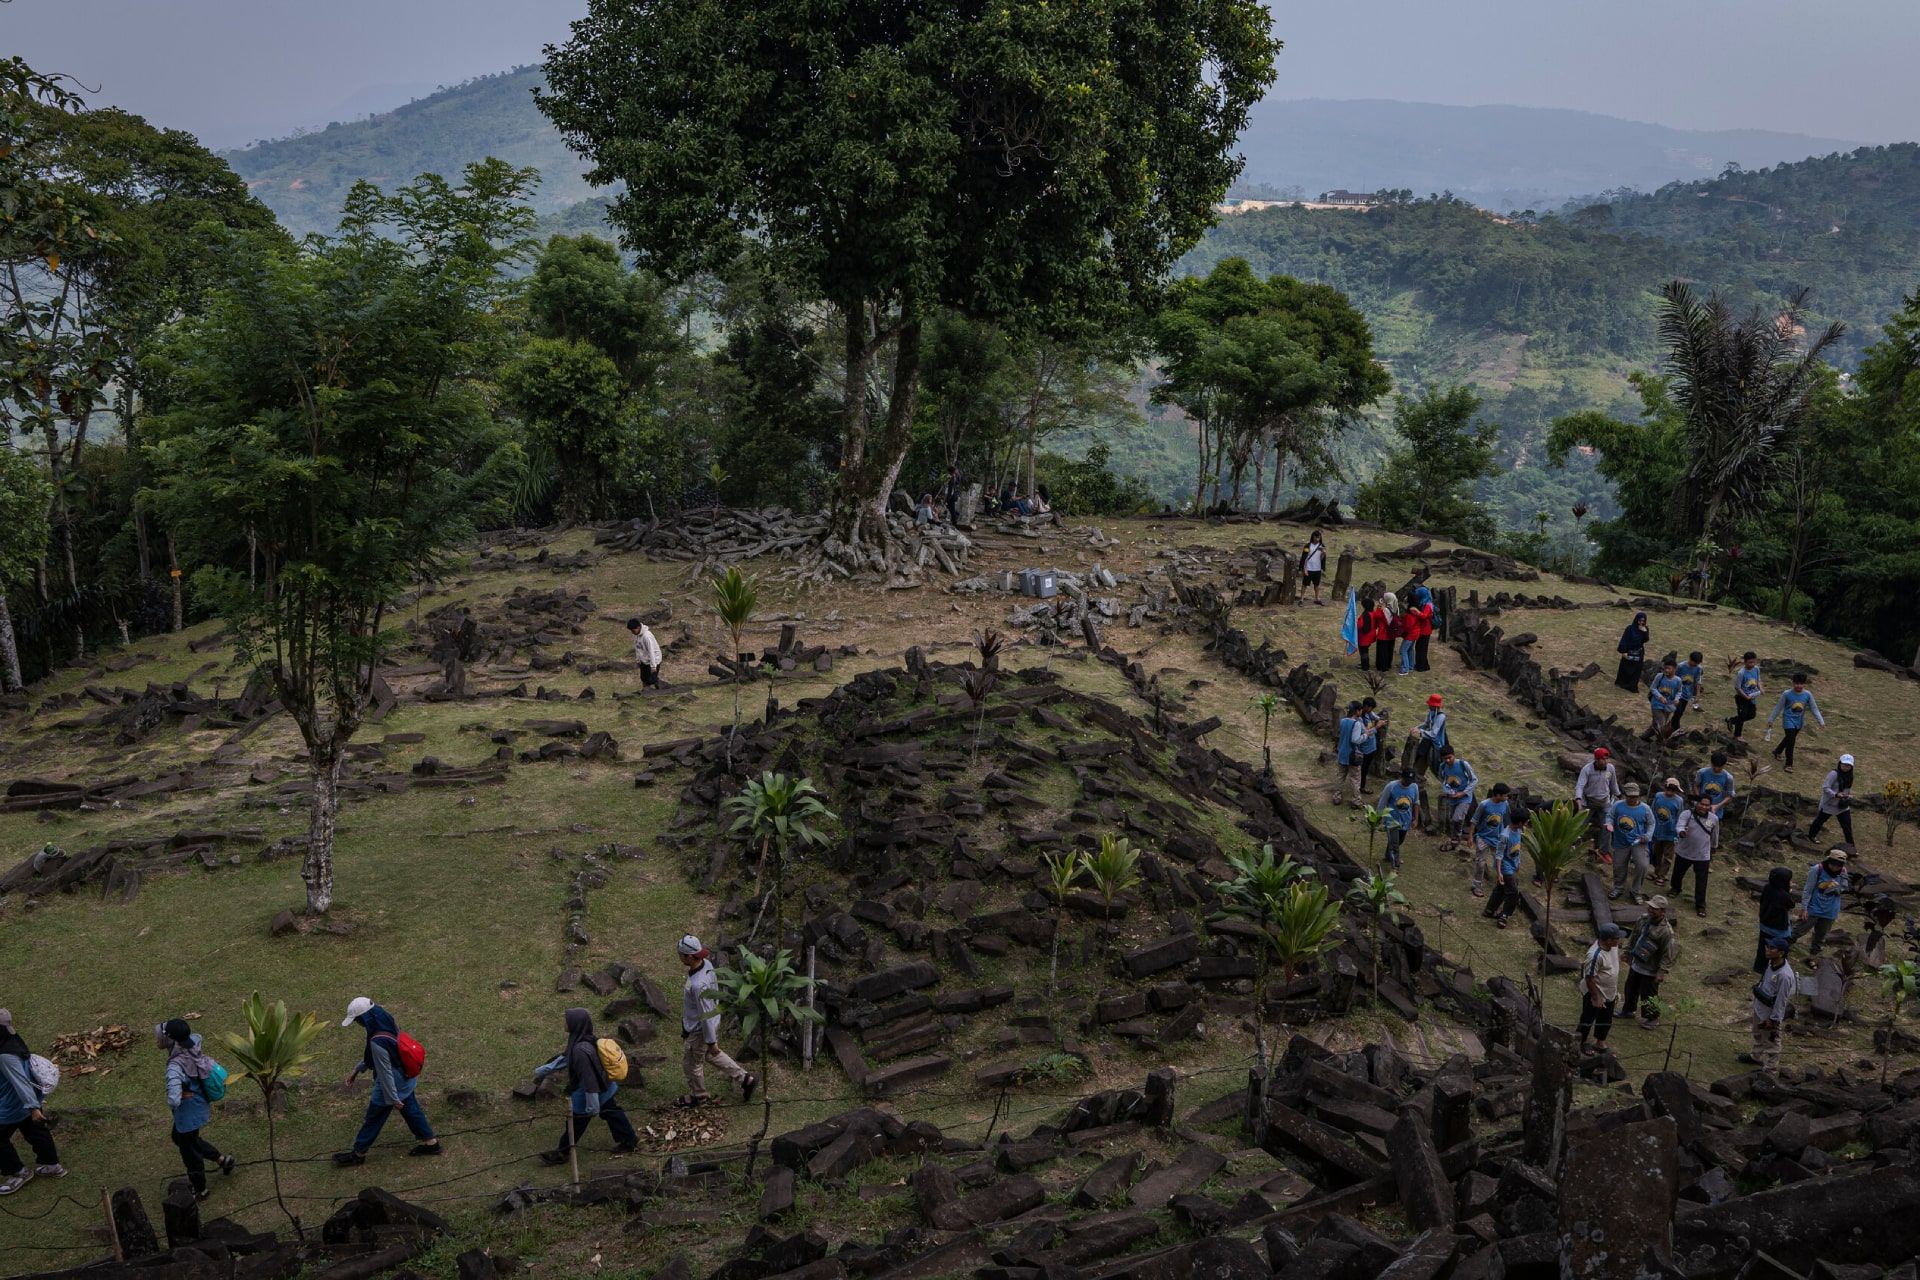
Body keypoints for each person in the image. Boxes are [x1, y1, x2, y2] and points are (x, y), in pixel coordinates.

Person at [334, 998, 440, 1165]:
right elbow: (379, 1057)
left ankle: (358, 1153)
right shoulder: (387, 1021)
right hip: (405, 1077)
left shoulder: (377, 1041)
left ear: (365, 1019)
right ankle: (431, 1143)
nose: (358, 1024)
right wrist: (357, 1069)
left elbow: (385, 1073)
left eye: (357, 1020)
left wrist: (392, 1098)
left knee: (374, 1117)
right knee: (411, 1110)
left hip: (393, 1085)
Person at [534, 1009, 638, 1165]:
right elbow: (566, 1058)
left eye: (567, 1021)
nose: (564, 1023)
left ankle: (562, 1153)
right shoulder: (584, 1039)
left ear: (575, 1024)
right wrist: (544, 1070)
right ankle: (629, 1140)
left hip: (591, 1091)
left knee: (576, 1122)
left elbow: (589, 1081)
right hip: (605, 1086)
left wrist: (592, 1105)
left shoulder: (579, 1050)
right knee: (612, 1112)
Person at [158, 1019, 233, 1200]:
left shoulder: (175, 1066)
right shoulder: (192, 1045)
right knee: (182, 1139)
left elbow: (173, 1098)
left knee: (190, 1155)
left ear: (171, 1040)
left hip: (188, 1115)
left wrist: (176, 1099)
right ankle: (222, 1160)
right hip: (199, 1107)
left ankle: (201, 1190)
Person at [678, 935, 756, 1106]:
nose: (679, 956)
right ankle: (746, 1079)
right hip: (711, 1021)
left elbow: (704, 1014)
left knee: (692, 1064)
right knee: (712, 1056)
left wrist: (711, 1041)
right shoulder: (706, 963)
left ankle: (699, 1097)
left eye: (681, 954)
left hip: (701, 1029)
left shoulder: (699, 985)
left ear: (689, 957)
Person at [0, 1009, 62, 1196]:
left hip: (14, 1105)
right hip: (27, 1102)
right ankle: (52, 1165)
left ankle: (18, 1173)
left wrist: (33, 1108)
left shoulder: (4, 1055)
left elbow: (20, 1081)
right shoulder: (13, 1041)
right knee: (35, 1131)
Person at [1619, 897, 1676, 1028]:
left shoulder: (1666, 931)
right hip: (1636, 963)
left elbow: (1668, 954)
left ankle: (1652, 1019)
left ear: (1662, 911)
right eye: (1650, 907)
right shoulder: (1643, 919)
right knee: (1630, 988)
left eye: (1654, 909)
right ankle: (1628, 1010)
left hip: (1650, 968)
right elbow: (1634, 935)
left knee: (1649, 995)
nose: (1650, 910)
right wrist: (1627, 951)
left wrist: (1661, 971)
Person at [1743, 939, 1796, 1071]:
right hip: (1760, 1006)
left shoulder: (1784, 975)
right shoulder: (1771, 963)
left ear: (1781, 953)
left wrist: (1773, 1019)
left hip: (1770, 1013)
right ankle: (1756, 1056)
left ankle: (1771, 1068)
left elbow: (1781, 1000)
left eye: (1772, 948)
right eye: (1768, 946)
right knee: (1758, 1033)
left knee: (1772, 1041)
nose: (1767, 950)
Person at [1792, 848, 1849, 963]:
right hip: (1813, 907)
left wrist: (1836, 888)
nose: (1835, 867)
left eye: (1839, 865)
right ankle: (1781, 948)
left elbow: (1844, 887)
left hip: (1830, 910)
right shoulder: (1817, 869)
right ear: (1829, 861)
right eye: (1834, 864)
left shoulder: (1843, 871)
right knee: (1798, 930)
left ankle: (1812, 958)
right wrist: (1804, 908)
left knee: (1821, 936)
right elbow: (1808, 889)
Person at [1577, 924, 1624, 1055]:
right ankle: (1580, 1042)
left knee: (1606, 1018)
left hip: (1609, 992)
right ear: (1608, 940)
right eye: (1617, 938)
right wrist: (1595, 997)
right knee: (1587, 1018)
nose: (1619, 940)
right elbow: (1589, 978)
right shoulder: (1595, 955)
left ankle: (1600, 1041)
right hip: (1595, 992)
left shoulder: (1612, 947)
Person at [1668, 793, 1717, 917]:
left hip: (1702, 855)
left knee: (1702, 881)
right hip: (1684, 851)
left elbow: (1715, 834)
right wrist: (1682, 832)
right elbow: (1679, 825)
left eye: (1707, 805)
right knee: (1678, 873)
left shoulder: (1713, 818)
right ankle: (1675, 888)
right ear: (1697, 803)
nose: (1704, 807)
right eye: (1702, 804)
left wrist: (1714, 847)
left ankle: (1700, 905)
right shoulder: (1687, 814)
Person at [1765, 673, 1825, 772]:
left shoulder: (1808, 695)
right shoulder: (1787, 694)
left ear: (1804, 684)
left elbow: (1814, 709)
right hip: (1788, 721)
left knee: (1788, 739)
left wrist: (1821, 721)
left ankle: (1777, 751)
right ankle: (1789, 764)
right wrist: (1771, 720)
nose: (1799, 686)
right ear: (1793, 683)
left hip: (1799, 722)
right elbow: (1778, 707)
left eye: (1801, 684)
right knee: (1791, 742)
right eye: (1796, 683)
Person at [1607, 781, 1655, 903]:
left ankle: (1636, 891)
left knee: (1642, 865)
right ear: (1625, 795)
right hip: (1620, 841)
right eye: (1630, 796)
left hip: (1639, 842)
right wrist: (1609, 824)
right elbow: (1610, 816)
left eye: (1635, 796)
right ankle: (1618, 887)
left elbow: (1651, 823)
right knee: (1619, 866)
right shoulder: (1618, 805)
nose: (1633, 799)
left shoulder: (1645, 809)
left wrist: (1647, 835)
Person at [1484, 806, 1529, 928]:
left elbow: (1517, 848)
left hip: (1512, 865)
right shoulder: (1505, 835)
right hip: (1504, 867)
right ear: (1520, 822)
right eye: (1526, 821)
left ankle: (1489, 910)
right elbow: (1498, 855)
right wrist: (1499, 872)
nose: (1527, 823)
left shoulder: (1519, 831)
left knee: (1501, 889)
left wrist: (1518, 862)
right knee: (1513, 892)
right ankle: (1504, 915)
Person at [1574, 747, 1622, 858]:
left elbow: (1613, 784)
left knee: (1607, 827)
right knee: (1580, 825)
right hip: (1588, 802)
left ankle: (1603, 851)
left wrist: (1619, 796)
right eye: (1602, 759)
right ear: (1596, 759)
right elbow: (1580, 786)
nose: (1605, 761)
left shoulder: (1610, 769)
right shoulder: (1587, 769)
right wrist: (1579, 801)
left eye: (1606, 759)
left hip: (1604, 802)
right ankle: (1574, 846)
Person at [1467, 783, 1512, 898]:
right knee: (1481, 863)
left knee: (1501, 862)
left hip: (1498, 839)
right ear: (1497, 795)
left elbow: (1506, 821)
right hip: (1483, 837)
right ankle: (1477, 886)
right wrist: (1470, 836)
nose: (1507, 798)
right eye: (1505, 796)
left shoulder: (1505, 804)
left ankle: (1504, 884)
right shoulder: (1484, 805)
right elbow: (1474, 820)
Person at [1377, 766, 1422, 870]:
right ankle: (1395, 866)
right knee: (1395, 844)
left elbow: (1416, 803)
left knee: (1399, 841)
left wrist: (1416, 819)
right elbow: (1382, 803)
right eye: (1406, 780)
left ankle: (1389, 855)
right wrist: (1378, 817)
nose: (1408, 782)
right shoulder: (1391, 786)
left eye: (1411, 780)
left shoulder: (1414, 787)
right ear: (1401, 777)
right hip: (1392, 820)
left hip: (1405, 821)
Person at [1754, 866, 1795, 974]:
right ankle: (1777, 967)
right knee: (1780, 948)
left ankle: (1759, 967)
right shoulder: (1784, 895)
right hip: (1778, 928)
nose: (1791, 882)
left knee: (1763, 947)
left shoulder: (1767, 887)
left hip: (1764, 924)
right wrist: (1789, 892)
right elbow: (1791, 905)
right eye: (1789, 880)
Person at [1808, 754, 1856, 845]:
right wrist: (1836, 795)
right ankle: (1811, 836)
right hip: (1829, 804)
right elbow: (1826, 788)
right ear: (1840, 763)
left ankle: (1851, 846)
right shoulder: (1833, 774)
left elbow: (1847, 789)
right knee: (1819, 821)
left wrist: (1847, 796)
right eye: (1844, 764)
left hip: (1842, 806)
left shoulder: (1850, 776)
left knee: (1847, 826)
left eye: (1849, 765)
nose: (1846, 767)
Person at [1437, 746, 1478, 848]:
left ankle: (1457, 837)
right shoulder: (1443, 766)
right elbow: (1442, 779)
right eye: (1445, 758)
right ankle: (1454, 840)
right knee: (1453, 819)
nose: (1447, 760)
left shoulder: (1463, 764)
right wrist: (1447, 790)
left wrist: (1464, 792)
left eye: (1449, 757)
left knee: (1457, 818)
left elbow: (1474, 780)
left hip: (1465, 797)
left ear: (1454, 755)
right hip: (1452, 797)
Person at [1694, 752, 1735, 850]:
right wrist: (1699, 799)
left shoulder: (1728, 778)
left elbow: (1730, 795)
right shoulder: (1702, 772)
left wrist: (1717, 806)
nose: (1716, 769)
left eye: (1719, 767)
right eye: (1714, 766)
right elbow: (1696, 785)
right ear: (1711, 763)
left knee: (1709, 833)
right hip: (1700, 808)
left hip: (1715, 811)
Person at [1334, 700, 1371, 806]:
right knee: (1355, 779)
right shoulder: (1357, 724)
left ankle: (1337, 797)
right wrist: (1366, 735)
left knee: (1340, 776)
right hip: (1353, 755)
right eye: (1360, 710)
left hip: (1342, 753)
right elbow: (1355, 740)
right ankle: (1356, 800)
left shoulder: (1343, 721)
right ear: (1357, 711)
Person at [1649, 777, 1686, 880]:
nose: (1670, 792)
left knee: (1668, 856)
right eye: (1668, 789)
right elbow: (1652, 811)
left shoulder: (1679, 801)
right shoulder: (1658, 796)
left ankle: (1662, 875)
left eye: (1673, 790)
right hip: (1658, 830)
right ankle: (1656, 871)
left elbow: (1680, 816)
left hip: (1671, 832)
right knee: (1657, 853)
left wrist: (1678, 831)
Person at [1413, 693, 1449, 778]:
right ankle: (1417, 775)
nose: (1429, 706)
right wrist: (1416, 728)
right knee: (1420, 756)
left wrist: (1420, 732)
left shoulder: (1441, 717)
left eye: (1431, 705)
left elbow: (1433, 734)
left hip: (1436, 744)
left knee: (1434, 764)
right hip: (1427, 740)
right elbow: (1426, 724)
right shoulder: (1431, 712)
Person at [1647, 658, 1682, 741]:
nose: (1666, 670)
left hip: (1668, 706)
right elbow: (1653, 688)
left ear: (1674, 669)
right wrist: (1660, 697)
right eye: (1665, 668)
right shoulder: (1660, 676)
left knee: (1657, 723)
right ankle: (1660, 741)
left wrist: (1677, 699)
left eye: (1669, 668)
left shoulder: (1678, 680)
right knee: (1661, 723)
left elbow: (1679, 691)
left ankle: (1644, 736)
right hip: (1656, 704)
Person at [1730, 652, 1763, 739]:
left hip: (1752, 696)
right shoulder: (1741, 673)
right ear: (1745, 662)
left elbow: (1758, 680)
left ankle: (1731, 720)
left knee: (1752, 715)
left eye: (1753, 662)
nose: (1752, 664)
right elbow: (1737, 687)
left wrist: (1760, 688)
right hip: (1741, 697)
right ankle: (1737, 735)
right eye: (1750, 662)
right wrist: (1745, 696)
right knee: (1742, 715)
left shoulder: (1756, 669)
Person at [1615, 612, 1650, 691]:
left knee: (1636, 669)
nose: (1641, 622)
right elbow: (1625, 639)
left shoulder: (1645, 629)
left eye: (1643, 621)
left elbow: (1645, 640)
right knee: (1625, 667)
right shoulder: (1630, 628)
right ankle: (1622, 683)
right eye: (1640, 620)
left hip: (1639, 652)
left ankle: (1632, 686)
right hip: (1629, 650)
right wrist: (1623, 651)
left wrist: (1644, 632)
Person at [1357, 697, 1384, 797]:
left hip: (1371, 747)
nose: (1371, 710)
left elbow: (1375, 716)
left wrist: (1379, 720)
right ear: (1365, 706)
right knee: (1363, 769)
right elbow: (1366, 733)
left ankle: (1361, 785)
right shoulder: (1359, 718)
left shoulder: (1368, 713)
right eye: (1370, 708)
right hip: (1364, 749)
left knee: (1366, 768)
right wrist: (1377, 727)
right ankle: (1361, 787)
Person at [628, 617, 663, 690]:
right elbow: (637, 648)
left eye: (633, 630)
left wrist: (653, 666)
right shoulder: (637, 636)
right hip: (644, 660)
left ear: (638, 627)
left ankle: (658, 686)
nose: (632, 632)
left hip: (653, 660)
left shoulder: (647, 637)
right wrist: (638, 660)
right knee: (643, 678)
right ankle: (646, 691)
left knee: (651, 679)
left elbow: (651, 651)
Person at [1673, 651, 1704, 730]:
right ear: (1690, 658)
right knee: (1678, 712)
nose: (1694, 665)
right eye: (1694, 662)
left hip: (1687, 694)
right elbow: (1673, 678)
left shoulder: (1698, 668)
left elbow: (1697, 681)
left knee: (1680, 713)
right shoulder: (1680, 666)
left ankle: (1672, 727)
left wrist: (1697, 694)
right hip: (1677, 693)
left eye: (1697, 663)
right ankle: (1676, 728)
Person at [1356, 592, 1385, 671]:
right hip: (1371, 635)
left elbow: (1360, 625)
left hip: (1364, 636)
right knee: (1366, 650)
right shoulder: (1373, 613)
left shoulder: (1365, 615)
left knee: (1363, 651)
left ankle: (1365, 666)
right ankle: (1364, 664)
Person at [1410, 586, 1436, 672]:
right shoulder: (1425, 602)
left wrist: (1416, 611)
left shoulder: (1428, 605)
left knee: (1421, 648)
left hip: (1425, 629)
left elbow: (1424, 616)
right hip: (1423, 628)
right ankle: (1423, 665)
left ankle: (1421, 666)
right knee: (1420, 648)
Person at [1373, 593, 1398, 673]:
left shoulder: (1385, 610)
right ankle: (1388, 664)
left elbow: (1377, 615)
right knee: (1389, 650)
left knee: (1382, 650)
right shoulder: (1396, 608)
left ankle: (1381, 666)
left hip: (1384, 633)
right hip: (1392, 633)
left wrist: (1379, 606)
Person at [1300, 531, 1327, 605]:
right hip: (1308, 568)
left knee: (1316, 585)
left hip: (1317, 569)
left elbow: (1321, 559)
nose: (1317, 539)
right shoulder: (1307, 546)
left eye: (1319, 537)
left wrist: (1324, 553)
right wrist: (1304, 569)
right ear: (1313, 537)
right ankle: (1301, 599)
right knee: (1304, 584)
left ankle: (1317, 598)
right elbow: (1304, 557)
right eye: (1316, 537)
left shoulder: (1321, 546)